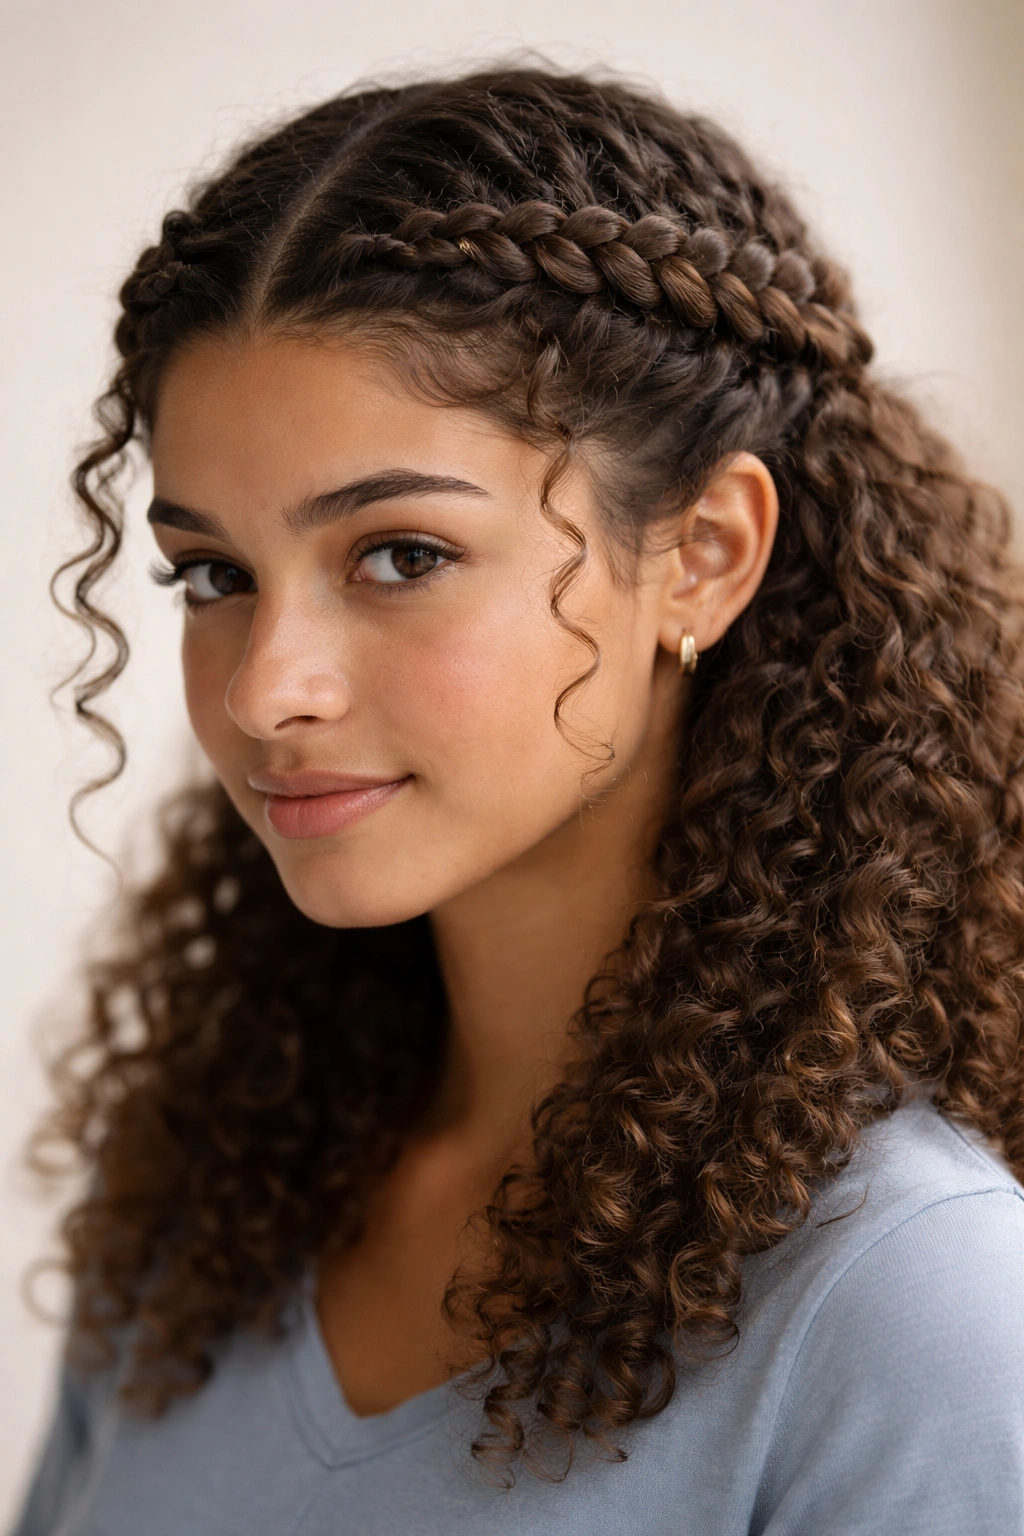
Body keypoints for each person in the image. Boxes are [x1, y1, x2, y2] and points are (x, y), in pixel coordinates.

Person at [13, 66, 1024, 1536]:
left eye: (400, 554)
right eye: (216, 576)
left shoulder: (912, 1317)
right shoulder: (206, 1208)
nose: (264, 690)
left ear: (702, 555)